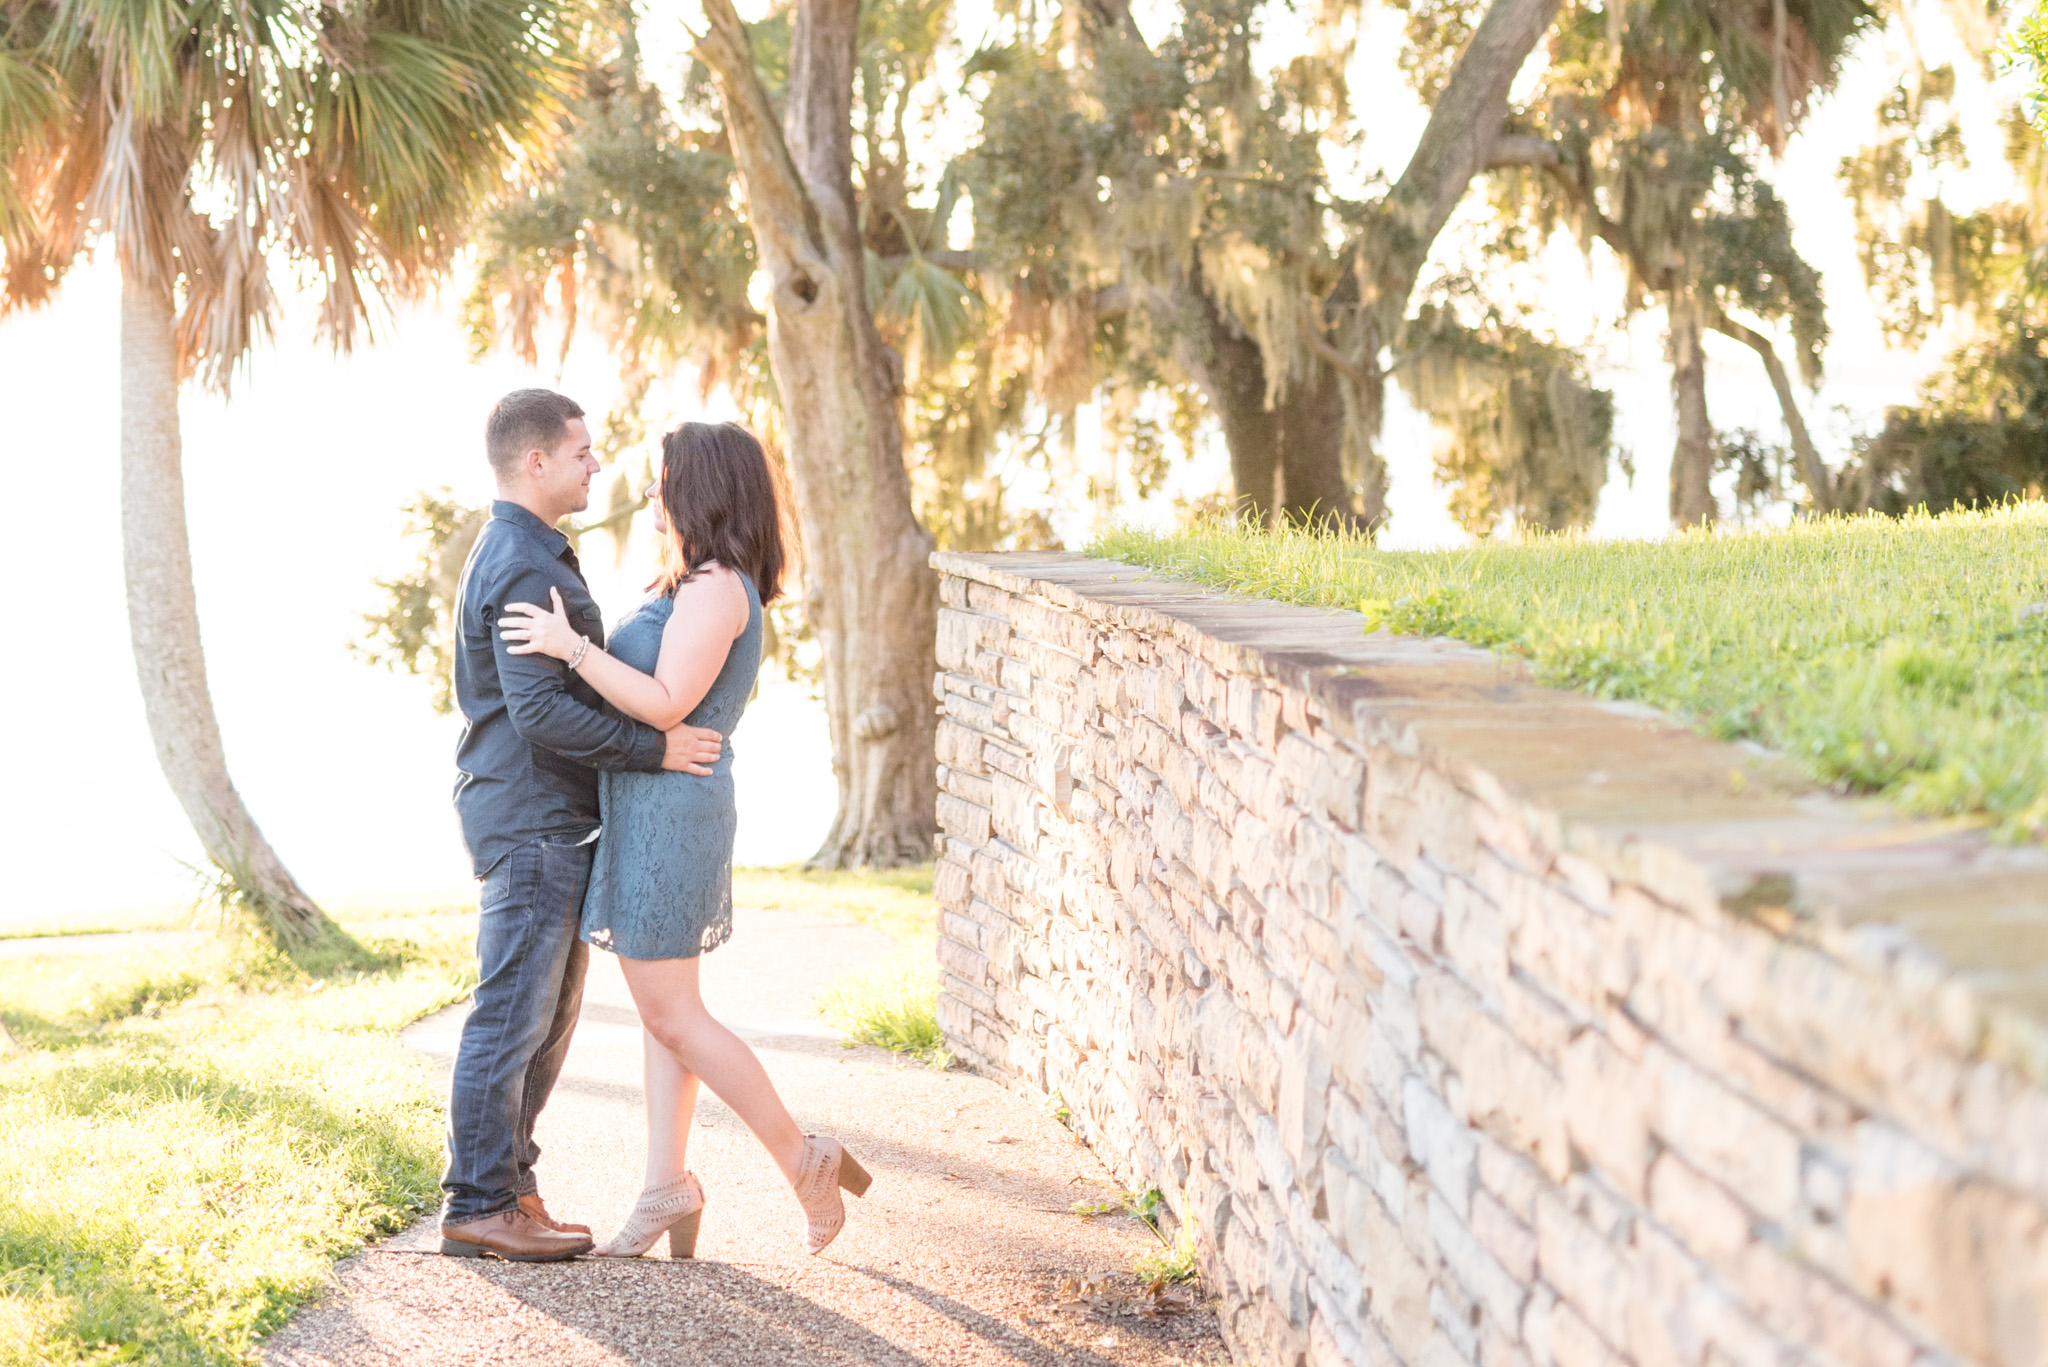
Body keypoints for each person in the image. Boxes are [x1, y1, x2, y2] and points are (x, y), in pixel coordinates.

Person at [498, 420, 871, 1260]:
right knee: (666, 1015)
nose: (653, 493)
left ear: (702, 486)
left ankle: (801, 1157)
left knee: (675, 1014)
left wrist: (571, 648)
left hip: (673, 813)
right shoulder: (691, 581)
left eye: (665, 479)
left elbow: (666, 700)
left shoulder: (715, 588)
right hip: (649, 806)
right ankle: (666, 1183)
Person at [440, 390, 725, 1263]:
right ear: (535, 462)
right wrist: (657, 747)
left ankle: (511, 1185)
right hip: (529, 819)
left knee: (548, 1015)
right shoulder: (528, 565)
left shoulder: (527, 550)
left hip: (544, 817)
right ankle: (478, 1200)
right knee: (511, 1016)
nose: (597, 463)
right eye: (581, 452)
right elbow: (538, 715)